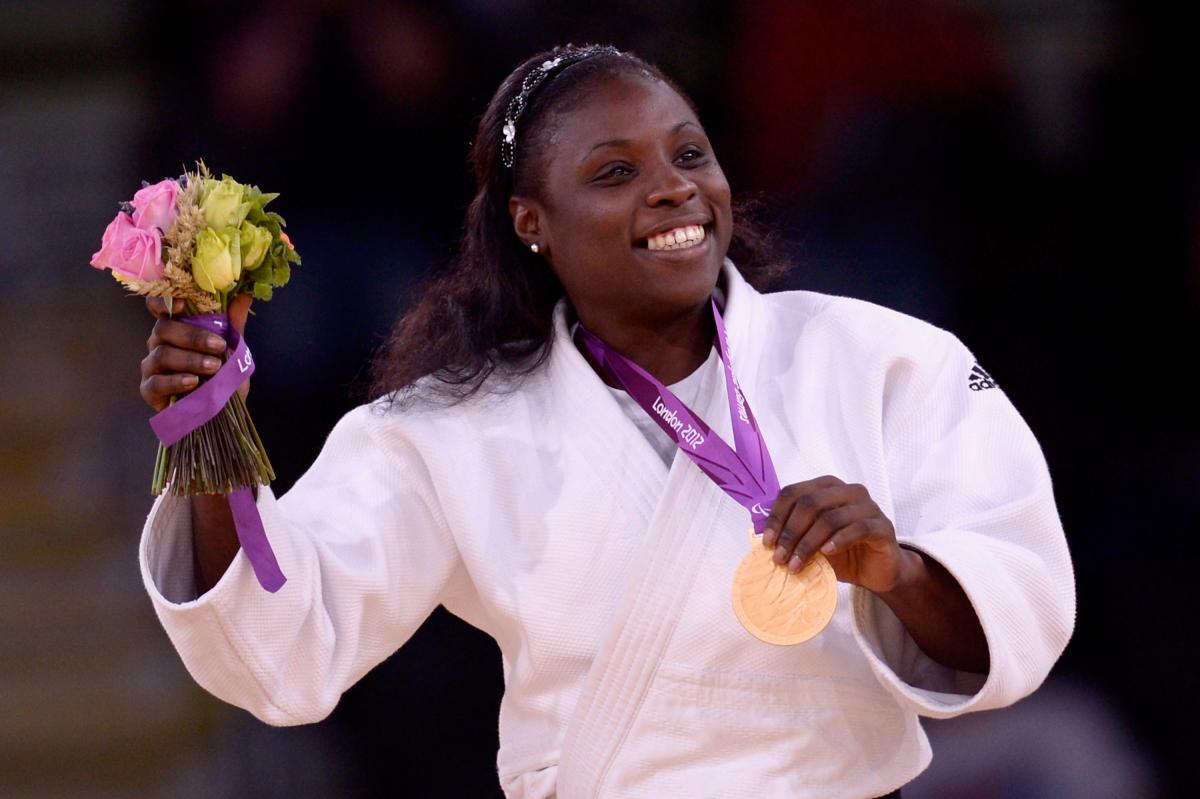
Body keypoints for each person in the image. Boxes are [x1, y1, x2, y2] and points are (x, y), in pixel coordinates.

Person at [136, 44, 1076, 799]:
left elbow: (1023, 596)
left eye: (689, 154)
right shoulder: (449, 431)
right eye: (616, 170)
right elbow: (282, 644)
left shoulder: (882, 359)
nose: (673, 188)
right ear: (530, 221)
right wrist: (206, 433)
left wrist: (895, 570)